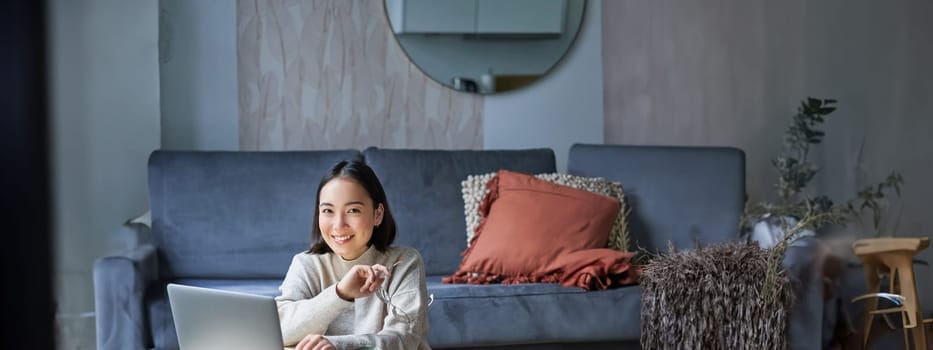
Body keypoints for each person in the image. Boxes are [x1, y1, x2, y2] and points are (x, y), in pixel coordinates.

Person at [276, 160, 431, 350]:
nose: (339, 224)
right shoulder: (305, 264)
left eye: (353, 210)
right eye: (328, 211)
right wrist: (340, 293)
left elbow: (404, 339)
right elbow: (280, 330)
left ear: (378, 214)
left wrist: (338, 345)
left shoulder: (404, 262)